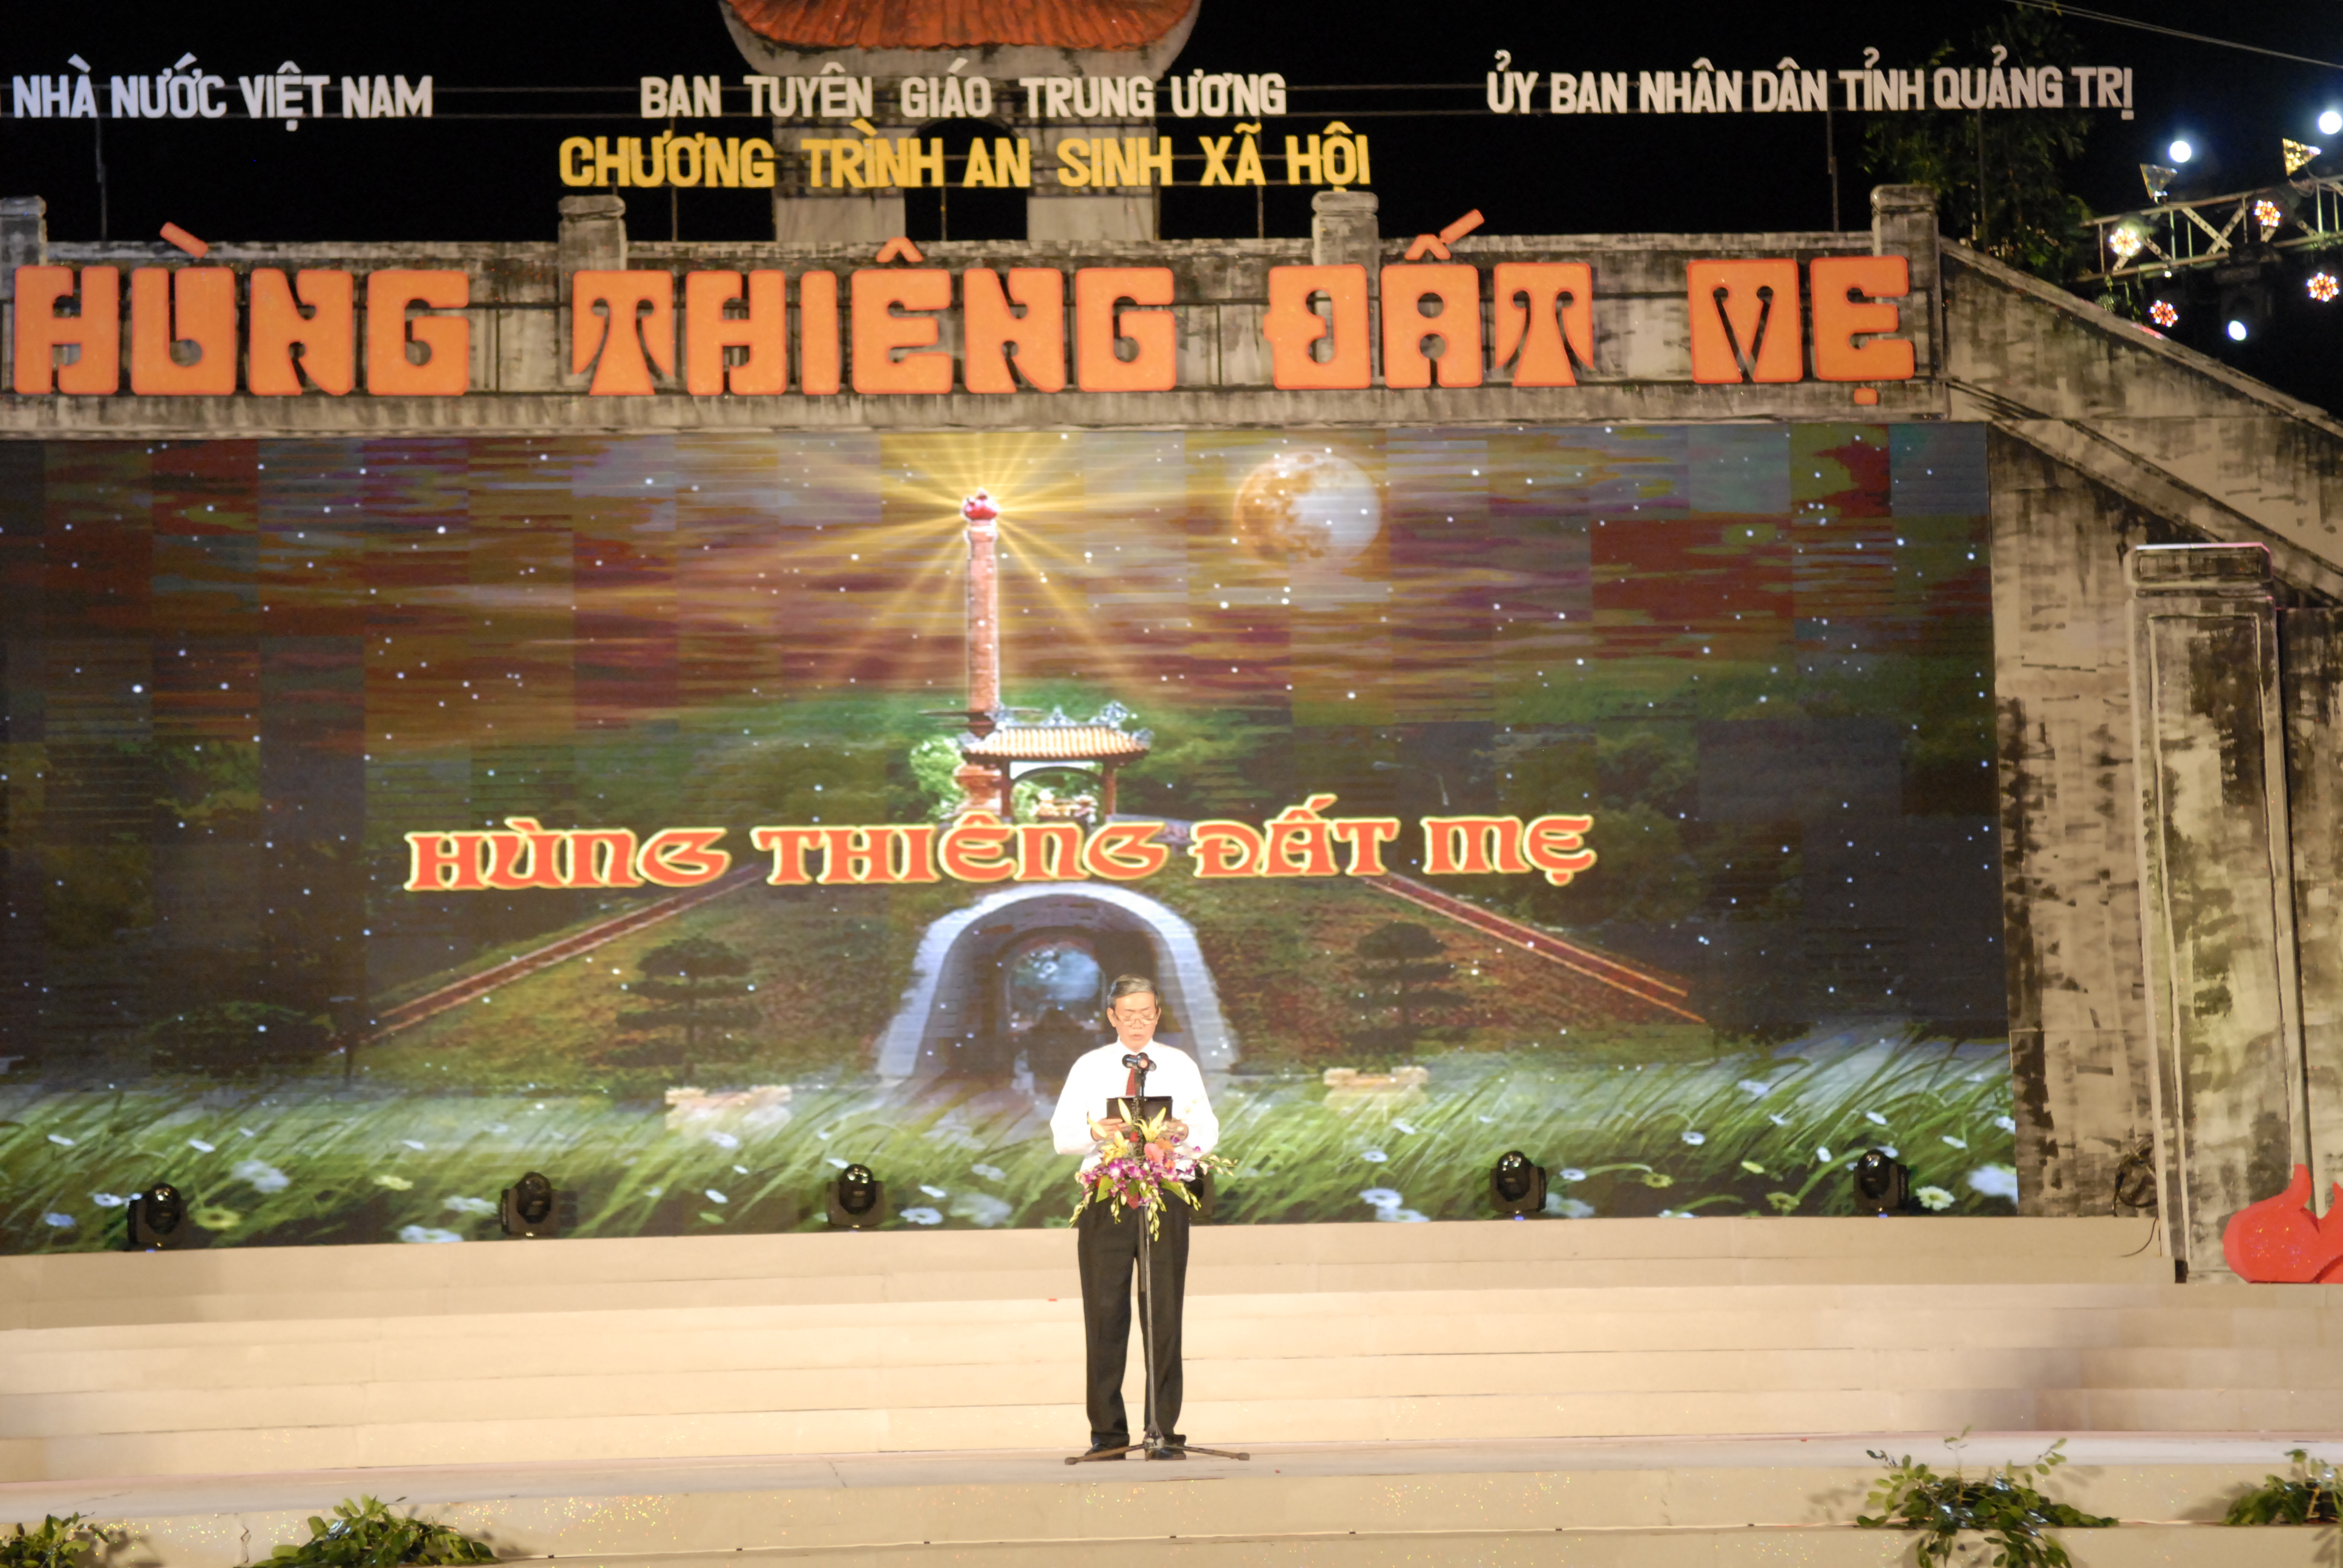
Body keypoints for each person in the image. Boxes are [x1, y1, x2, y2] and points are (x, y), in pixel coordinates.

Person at [1049, 973, 1219, 1459]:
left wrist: (1182, 1132)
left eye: (1147, 1014)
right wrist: (1097, 1132)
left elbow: (1208, 1129)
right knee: (1105, 1313)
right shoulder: (1090, 1066)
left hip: (1164, 1194)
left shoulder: (1179, 1064)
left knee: (1162, 1311)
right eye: (1129, 1015)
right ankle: (1108, 1434)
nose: (1138, 1023)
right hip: (1108, 1195)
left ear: (1158, 1015)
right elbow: (1062, 1135)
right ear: (1112, 1017)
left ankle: (1162, 1430)